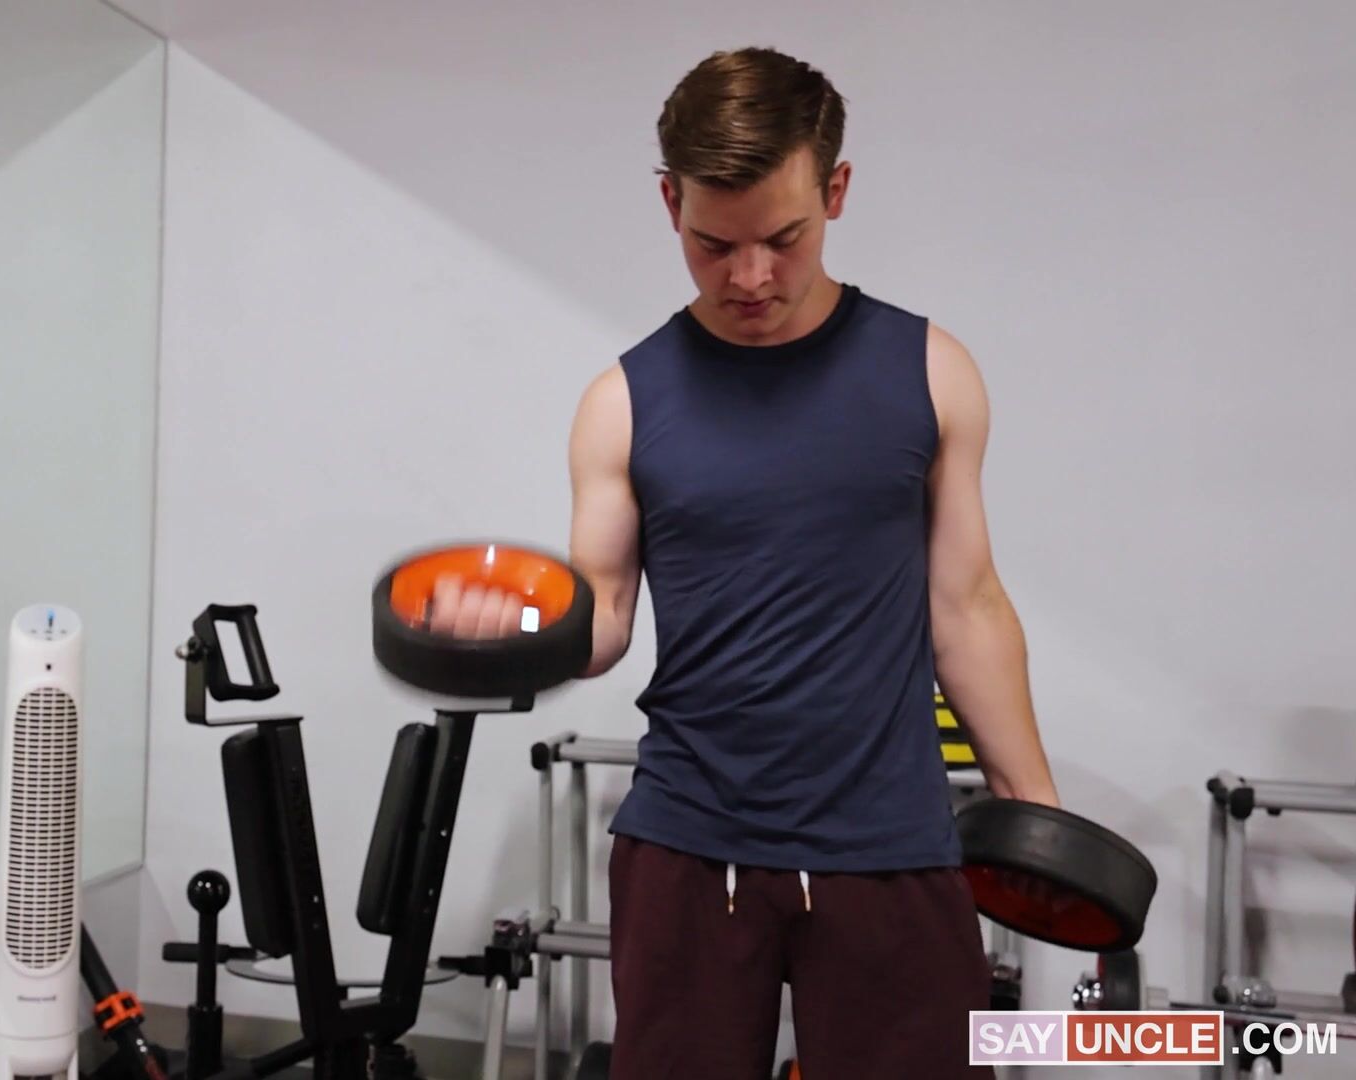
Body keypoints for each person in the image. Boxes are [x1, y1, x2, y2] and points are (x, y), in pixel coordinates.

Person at [429, 46, 1060, 1078]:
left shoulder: (931, 371)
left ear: (836, 191)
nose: (751, 277)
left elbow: (967, 606)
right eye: (714, 245)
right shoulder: (622, 401)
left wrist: (1033, 809)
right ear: (670, 202)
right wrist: (517, 627)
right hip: (690, 840)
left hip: (890, 842)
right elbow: (602, 618)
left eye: (785, 238)